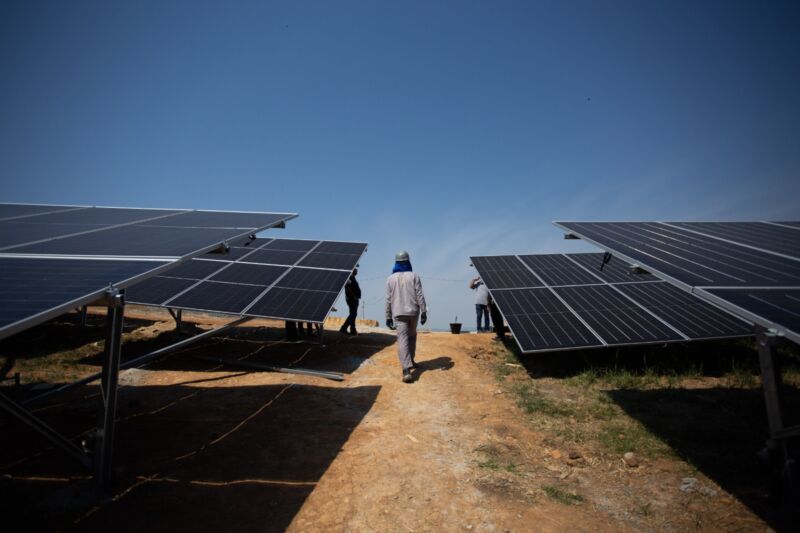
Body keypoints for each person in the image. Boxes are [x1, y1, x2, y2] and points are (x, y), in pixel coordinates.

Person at [385, 250, 427, 383]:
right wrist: (424, 311)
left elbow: (388, 299)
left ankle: (406, 370)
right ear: (408, 261)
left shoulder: (390, 279)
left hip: (398, 313)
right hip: (413, 312)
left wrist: (388, 316)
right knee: (412, 336)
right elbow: (419, 294)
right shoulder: (414, 276)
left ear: (396, 262)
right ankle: (411, 360)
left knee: (402, 339)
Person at [339, 268, 361, 335]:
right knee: (353, 314)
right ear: (352, 271)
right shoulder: (349, 279)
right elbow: (348, 288)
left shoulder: (353, 278)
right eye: (355, 270)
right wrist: (354, 296)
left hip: (354, 299)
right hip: (351, 299)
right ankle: (345, 328)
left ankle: (352, 330)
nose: (356, 271)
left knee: (353, 314)